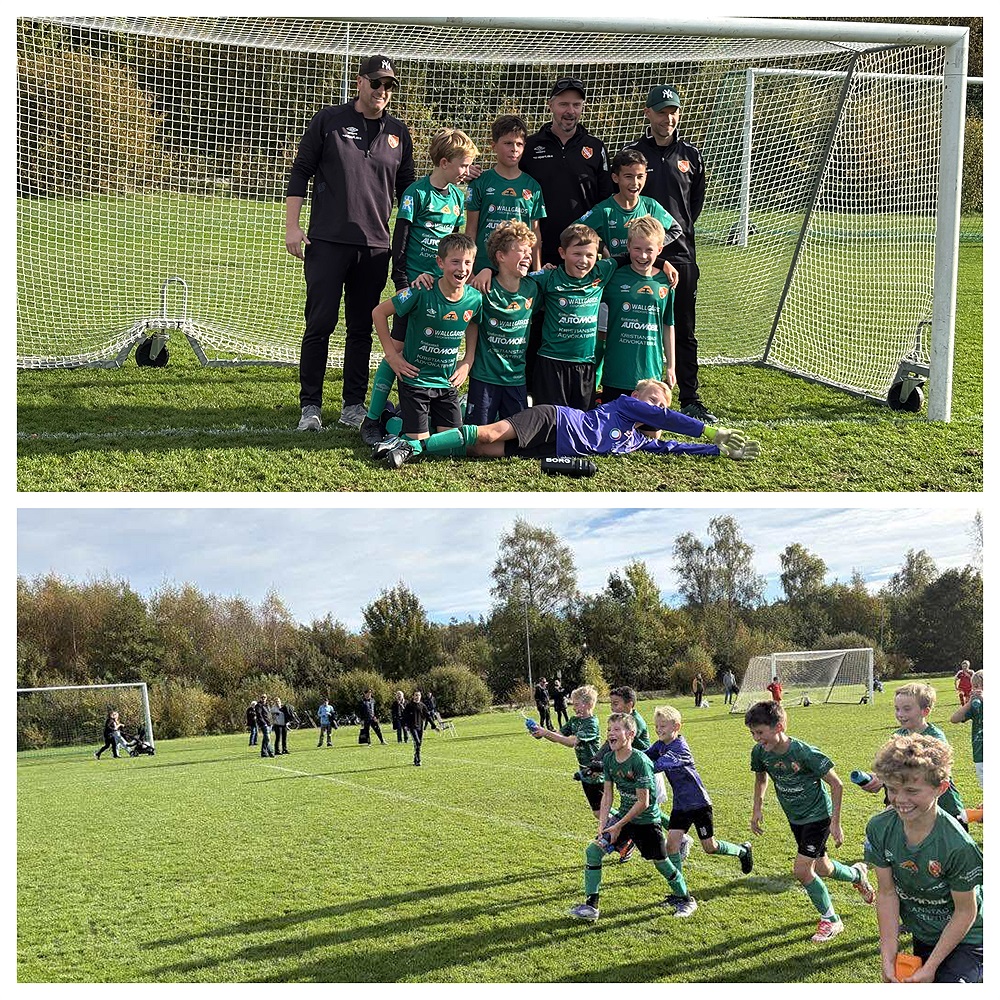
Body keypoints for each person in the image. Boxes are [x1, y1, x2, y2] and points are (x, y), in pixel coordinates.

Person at [286, 54, 415, 433]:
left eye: (389, 86)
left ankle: (353, 406)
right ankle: (310, 406)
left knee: (361, 328)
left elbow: (410, 191)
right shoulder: (328, 120)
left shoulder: (399, 132)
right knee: (320, 323)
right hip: (327, 242)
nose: (382, 91)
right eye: (376, 83)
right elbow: (301, 171)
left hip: (374, 247)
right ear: (359, 82)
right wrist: (292, 226)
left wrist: (452, 180)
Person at [360, 129, 478, 444]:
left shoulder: (457, 197)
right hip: (415, 288)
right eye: (464, 165)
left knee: (424, 351)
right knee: (397, 351)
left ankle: (413, 411)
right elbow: (400, 240)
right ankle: (372, 419)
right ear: (444, 162)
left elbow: (455, 245)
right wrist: (402, 282)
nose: (467, 171)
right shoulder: (416, 193)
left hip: (441, 289)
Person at [373, 377, 758, 469]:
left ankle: (396, 427)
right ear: (637, 398)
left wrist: (717, 449)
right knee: (488, 433)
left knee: (480, 451)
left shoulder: (639, 441)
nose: (656, 406)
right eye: (652, 399)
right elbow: (666, 419)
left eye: (661, 402)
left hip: (552, 448)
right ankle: (412, 446)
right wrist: (710, 429)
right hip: (554, 420)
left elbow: (672, 445)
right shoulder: (627, 406)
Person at [744, 699, 875, 943]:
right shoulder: (760, 753)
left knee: (802, 870)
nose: (756, 738)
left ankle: (831, 920)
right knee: (823, 868)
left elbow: (836, 784)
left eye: (760, 732)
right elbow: (761, 779)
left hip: (818, 816)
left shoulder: (804, 753)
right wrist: (757, 809)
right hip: (795, 817)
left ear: (779, 726)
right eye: (753, 733)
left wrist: (835, 823)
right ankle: (857, 875)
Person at [622, 84, 714, 423]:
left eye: (673, 111)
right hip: (641, 257)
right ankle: (627, 392)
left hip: (681, 255)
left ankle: (690, 397)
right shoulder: (633, 154)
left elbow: (694, 205)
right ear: (648, 113)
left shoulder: (691, 155)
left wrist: (674, 240)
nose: (668, 118)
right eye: (662, 112)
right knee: (632, 325)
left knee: (683, 328)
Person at [865, 733, 983, 983]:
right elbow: (887, 893)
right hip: (925, 934)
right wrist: (888, 957)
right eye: (892, 789)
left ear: (941, 788)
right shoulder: (879, 828)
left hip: (970, 938)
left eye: (911, 790)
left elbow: (965, 912)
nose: (900, 800)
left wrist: (931, 967)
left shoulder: (957, 845)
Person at [519, 78, 612, 390]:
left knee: (576, 323)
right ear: (551, 106)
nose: (570, 110)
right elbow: (511, 176)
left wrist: (601, 248)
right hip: (538, 251)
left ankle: (580, 388)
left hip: (581, 255)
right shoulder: (531, 146)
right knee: (533, 321)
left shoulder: (595, 148)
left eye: (576, 104)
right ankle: (530, 392)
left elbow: (605, 201)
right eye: (563, 104)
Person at [568, 712, 695, 922]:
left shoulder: (640, 761)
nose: (611, 733)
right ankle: (591, 907)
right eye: (609, 730)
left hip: (646, 821)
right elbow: (607, 795)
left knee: (661, 863)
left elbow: (643, 803)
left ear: (631, 734)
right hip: (622, 818)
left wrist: (617, 825)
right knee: (593, 851)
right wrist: (603, 826)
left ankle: (686, 899)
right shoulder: (609, 759)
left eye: (617, 729)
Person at [371, 232, 481, 448]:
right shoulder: (421, 290)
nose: (462, 268)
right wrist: (392, 356)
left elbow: (474, 323)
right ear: (440, 262)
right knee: (419, 442)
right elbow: (379, 313)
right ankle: (389, 420)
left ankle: (408, 418)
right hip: (416, 381)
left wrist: (468, 361)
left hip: (446, 382)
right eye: (455, 262)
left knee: (450, 446)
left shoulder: (474, 298)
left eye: (468, 262)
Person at [646, 706, 754, 883]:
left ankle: (742, 851)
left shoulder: (680, 748)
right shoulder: (660, 745)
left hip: (699, 804)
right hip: (680, 805)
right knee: (671, 846)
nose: (658, 729)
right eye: (656, 726)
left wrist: (636, 766)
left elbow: (655, 766)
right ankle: (680, 890)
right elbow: (645, 757)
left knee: (710, 847)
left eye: (663, 726)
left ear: (676, 726)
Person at [528, 223, 618, 409]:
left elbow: (626, 258)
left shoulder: (600, 273)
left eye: (590, 255)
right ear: (562, 253)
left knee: (581, 420)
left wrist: (662, 264)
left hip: (585, 364)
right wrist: (488, 272)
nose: (583, 260)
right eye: (577, 254)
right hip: (552, 363)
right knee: (550, 419)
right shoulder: (548, 277)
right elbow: (516, 279)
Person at [860, 682, 967, 828]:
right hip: (913, 807)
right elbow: (893, 767)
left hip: (944, 809)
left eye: (907, 709)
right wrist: (879, 777)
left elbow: (925, 774)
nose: (900, 714)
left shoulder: (935, 739)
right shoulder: (898, 735)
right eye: (897, 709)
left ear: (925, 711)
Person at [462, 221, 539, 425]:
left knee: (517, 436)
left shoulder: (533, 287)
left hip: (516, 379)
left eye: (530, 252)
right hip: (485, 378)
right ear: (501, 256)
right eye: (522, 251)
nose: (528, 256)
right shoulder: (482, 290)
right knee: (478, 436)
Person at [595, 216, 676, 403]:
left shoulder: (666, 281)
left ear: (659, 250)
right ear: (628, 246)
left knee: (648, 422)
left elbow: (668, 324)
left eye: (649, 250)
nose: (643, 256)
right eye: (637, 249)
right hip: (616, 371)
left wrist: (671, 366)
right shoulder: (614, 277)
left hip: (650, 373)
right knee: (614, 419)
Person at [465, 115, 545, 273]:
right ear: (494, 146)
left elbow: (535, 233)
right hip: (483, 268)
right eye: (508, 143)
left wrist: (537, 272)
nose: (514, 149)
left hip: (518, 269)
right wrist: (470, 269)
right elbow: (470, 230)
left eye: (519, 144)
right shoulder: (480, 182)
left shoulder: (533, 186)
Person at [576, 148, 681, 266]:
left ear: (646, 177)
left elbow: (676, 229)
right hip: (615, 273)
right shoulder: (604, 211)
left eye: (640, 176)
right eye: (628, 176)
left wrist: (654, 245)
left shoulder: (651, 206)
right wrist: (601, 247)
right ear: (615, 178)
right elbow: (573, 233)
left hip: (643, 272)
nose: (635, 183)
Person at [528, 684, 603, 821]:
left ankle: (620, 827)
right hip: (584, 771)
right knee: (597, 811)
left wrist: (545, 732)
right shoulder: (574, 720)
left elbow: (571, 742)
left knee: (600, 811)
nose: (573, 707)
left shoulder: (591, 723)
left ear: (588, 704)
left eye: (576, 704)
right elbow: (558, 736)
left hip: (596, 773)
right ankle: (617, 826)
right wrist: (540, 732)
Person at [949, 669, 983, 792]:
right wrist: (968, 704)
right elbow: (954, 719)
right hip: (980, 754)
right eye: (975, 687)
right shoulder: (975, 706)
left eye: (982, 686)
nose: (979, 690)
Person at [403, 690, 432, 765]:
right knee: (417, 742)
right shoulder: (409, 705)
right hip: (412, 727)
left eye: (419, 695)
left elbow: (428, 716)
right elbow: (405, 716)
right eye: (416, 695)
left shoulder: (422, 705)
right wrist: (405, 725)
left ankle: (415, 759)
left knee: (419, 744)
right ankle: (418, 760)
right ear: (413, 696)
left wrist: (434, 726)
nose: (417, 697)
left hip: (420, 727)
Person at [255, 694, 274, 758]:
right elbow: (259, 715)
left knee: (265, 738)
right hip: (264, 724)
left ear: (266, 698)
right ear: (260, 698)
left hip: (270, 724)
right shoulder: (258, 705)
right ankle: (271, 752)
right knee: (267, 738)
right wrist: (264, 723)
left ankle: (263, 753)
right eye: (262, 697)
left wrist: (271, 722)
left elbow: (269, 714)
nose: (263, 698)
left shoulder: (267, 705)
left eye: (265, 697)